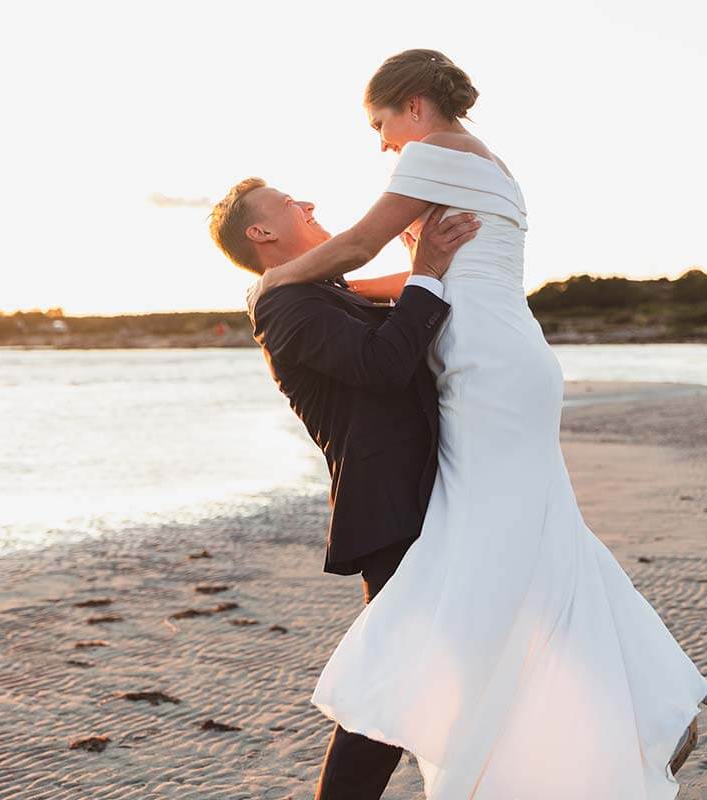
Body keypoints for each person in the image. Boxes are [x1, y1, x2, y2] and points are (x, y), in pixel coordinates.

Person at [246, 48, 707, 800]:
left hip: (487, 370)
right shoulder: (484, 162)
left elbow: (361, 244)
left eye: (380, 124)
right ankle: (653, 700)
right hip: (509, 356)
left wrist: (273, 280)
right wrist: (358, 283)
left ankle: (646, 704)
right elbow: (420, 275)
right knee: (542, 534)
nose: (382, 144)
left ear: (413, 106)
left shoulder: (432, 155)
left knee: (485, 549)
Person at [208, 177, 480, 797]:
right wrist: (426, 269)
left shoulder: (323, 292)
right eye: (289, 203)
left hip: (433, 494)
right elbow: (385, 366)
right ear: (261, 232)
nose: (308, 205)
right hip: (394, 509)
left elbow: (410, 311)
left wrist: (433, 265)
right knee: (392, 684)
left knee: (414, 675)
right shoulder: (284, 306)